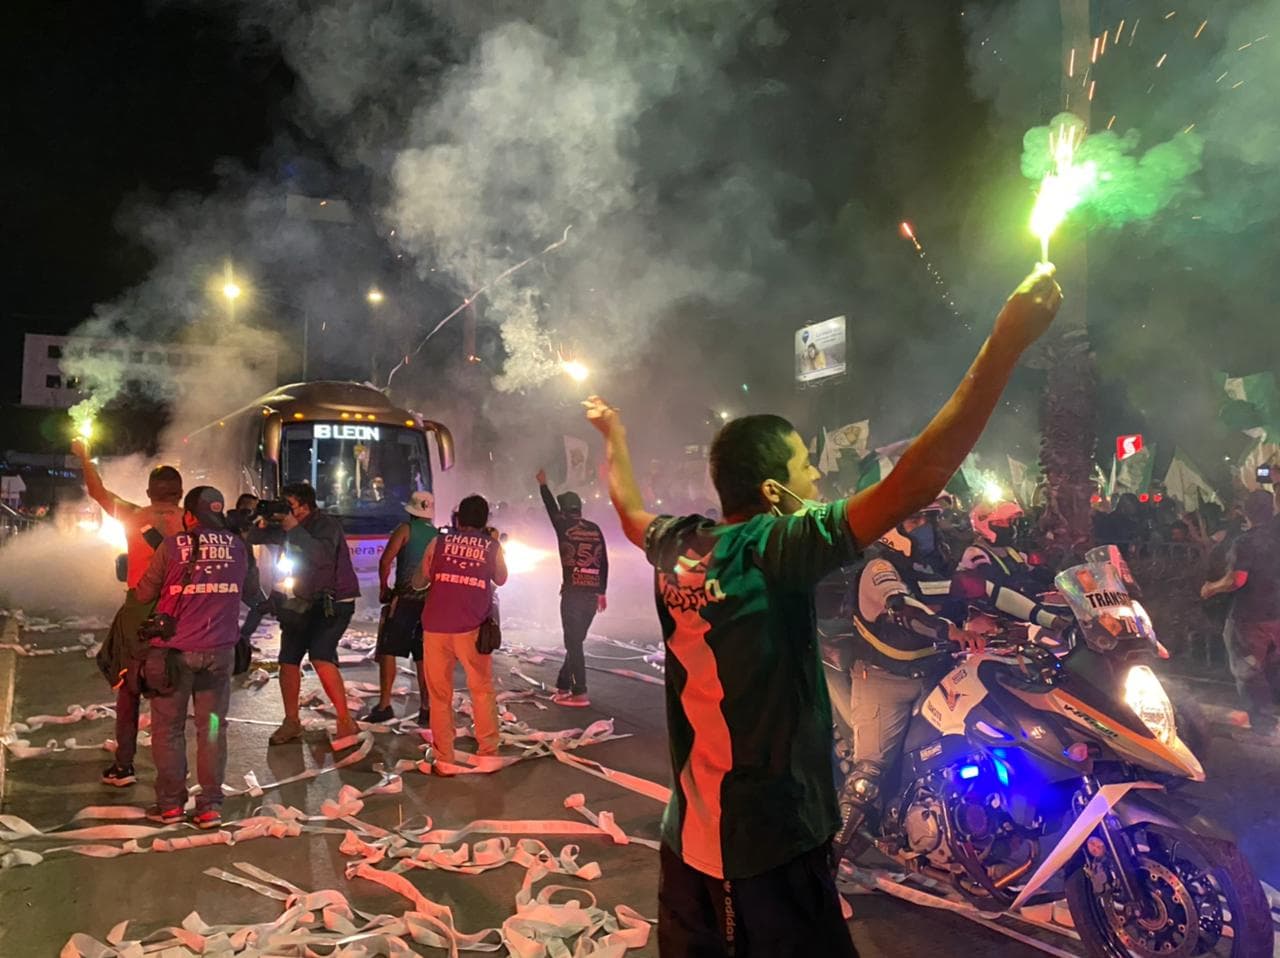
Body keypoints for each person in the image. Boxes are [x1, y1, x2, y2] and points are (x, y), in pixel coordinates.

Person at [585, 263, 1062, 958]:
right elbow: (917, 480)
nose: (820, 479)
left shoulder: (679, 544)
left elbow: (627, 509)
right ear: (776, 491)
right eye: (808, 467)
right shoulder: (776, 547)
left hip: (699, 837)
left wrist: (613, 436)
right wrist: (1007, 343)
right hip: (754, 849)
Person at [72, 438, 184, 789]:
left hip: (137, 615)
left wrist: (85, 457)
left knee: (129, 690)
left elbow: (97, 491)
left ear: (150, 493)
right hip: (180, 613)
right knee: (174, 693)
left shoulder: (134, 516)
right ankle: (175, 772)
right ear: (180, 494)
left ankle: (124, 766)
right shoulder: (192, 523)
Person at [132, 486, 247, 828]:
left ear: (190, 515)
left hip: (174, 655)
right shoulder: (239, 546)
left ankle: (170, 805)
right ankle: (210, 806)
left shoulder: (170, 547)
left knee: (168, 730)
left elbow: (144, 593)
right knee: (212, 728)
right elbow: (253, 593)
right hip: (220, 653)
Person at [412, 494, 508, 770]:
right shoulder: (491, 546)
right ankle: (488, 751)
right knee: (481, 689)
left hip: (436, 627)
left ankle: (444, 757)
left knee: (439, 695)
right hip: (472, 629)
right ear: (485, 520)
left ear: (459, 518)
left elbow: (419, 581)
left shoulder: (438, 542)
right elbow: (501, 578)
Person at [268, 482, 361, 746]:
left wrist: (292, 527)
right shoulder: (288, 527)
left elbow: (321, 556)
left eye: (290, 505)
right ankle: (291, 721)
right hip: (301, 601)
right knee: (287, 660)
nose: (285, 510)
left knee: (320, 656)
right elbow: (257, 539)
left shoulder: (326, 525)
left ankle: (345, 721)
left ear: (305, 506)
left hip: (334, 602)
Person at [1200, 489, 1280, 734]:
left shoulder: (1245, 542)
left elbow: (1237, 579)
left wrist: (1210, 589)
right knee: (1274, 666)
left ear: (1246, 512)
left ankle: (1264, 724)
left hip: (1251, 617)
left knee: (1249, 669)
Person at [536, 469, 609, 707]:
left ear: (565, 509)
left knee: (573, 642)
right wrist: (602, 591)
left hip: (572, 593)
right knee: (576, 641)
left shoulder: (563, 525)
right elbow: (604, 561)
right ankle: (564, 684)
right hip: (591, 594)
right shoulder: (595, 528)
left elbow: (549, 508)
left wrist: (543, 485)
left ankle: (580, 692)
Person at [366, 490, 439, 724]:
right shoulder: (438, 536)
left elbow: (386, 559)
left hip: (404, 600)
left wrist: (383, 588)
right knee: (423, 655)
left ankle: (385, 704)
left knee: (388, 651)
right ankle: (427, 708)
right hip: (429, 604)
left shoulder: (404, 529)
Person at [227, 493, 272, 646]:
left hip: (246, 575)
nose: (257, 511)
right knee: (258, 606)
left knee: (260, 606)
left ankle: (240, 639)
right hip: (240, 575)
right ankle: (239, 640)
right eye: (254, 508)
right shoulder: (236, 524)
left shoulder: (239, 522)